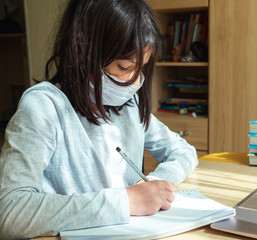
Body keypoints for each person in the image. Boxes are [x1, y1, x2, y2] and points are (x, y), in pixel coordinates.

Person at [0, 0, 198, 239]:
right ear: (82, 47)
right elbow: (10, 212)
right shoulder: (44, 107)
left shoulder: (129, 106)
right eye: (125, 67)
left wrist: (156, 185)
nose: (136, 83)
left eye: (142, 69)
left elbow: (182, 150)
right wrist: (125, 201)